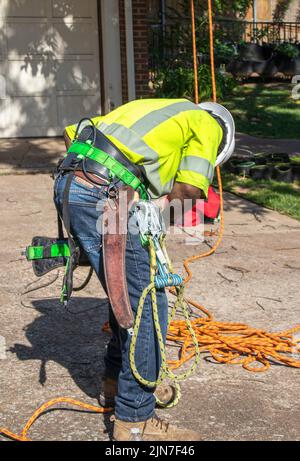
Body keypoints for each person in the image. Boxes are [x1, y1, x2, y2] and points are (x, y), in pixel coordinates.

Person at [55, 98, 235, 441]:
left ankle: (114, 381)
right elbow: (191, 189)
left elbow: (71, 135)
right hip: (109, 196)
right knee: (149, 306)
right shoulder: (208, 125)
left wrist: (99, 186)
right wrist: (156, 222)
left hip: (69, 183)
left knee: (123, 289)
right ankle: (135, 420)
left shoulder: (159, 109)